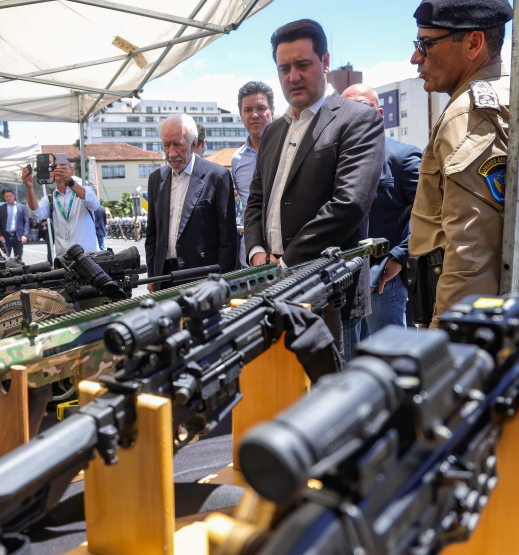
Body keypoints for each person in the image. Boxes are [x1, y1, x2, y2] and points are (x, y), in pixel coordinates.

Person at [243, 19, 384, 361]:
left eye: (303, 65)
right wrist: (258, 252)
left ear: (325, 62)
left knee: (333, 405)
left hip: (329, 294)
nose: (292, 76)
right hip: (272, 286)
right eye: (284, 68)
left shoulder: (357, 120)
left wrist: (288, 262)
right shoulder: (274, 131)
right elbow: (257, 201)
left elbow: (348, 204)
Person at [407, 0, 519, 329]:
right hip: (497, 307)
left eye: (425, 44)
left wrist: (446, 342)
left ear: (473, 43)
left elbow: (472, 252)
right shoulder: (510, 99)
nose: (416, 57)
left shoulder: (471, 114)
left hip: (472, 318)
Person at [342, 84, 422, 334]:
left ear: (378, 114)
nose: (353, 115)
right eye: (346, 110)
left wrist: (399, 257)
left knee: (389, 359)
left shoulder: (402, 157)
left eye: (361, 108)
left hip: (384, 280)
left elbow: (433, 214)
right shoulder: (337, 160)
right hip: (345, 280)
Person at [145, 113, 238, 291]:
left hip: (202, 278)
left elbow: (228, 239)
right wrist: (153, 276)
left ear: (194, 143)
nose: (171, 153)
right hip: (164, 278)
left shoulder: (217, 177)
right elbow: (153, 235)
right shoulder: (156, 179)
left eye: (178, 144)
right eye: (166, 145)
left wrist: (221, 284)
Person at [231, 81, 275, 268]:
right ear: (241, 115)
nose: (254, 115)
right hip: (249, 258)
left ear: (272, 110)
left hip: (286, 256)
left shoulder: (290, 150)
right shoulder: (237, 160)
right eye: (248, 109)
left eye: (261, 108)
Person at [21, 161, 100, 255]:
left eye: (62, 166)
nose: (58, 169)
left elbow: (94, 205)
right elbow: (35, 214)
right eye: (54, 167)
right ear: (51, 176)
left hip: (87, 257)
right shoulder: (50, 199)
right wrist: (29, 188)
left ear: (73, 172)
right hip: (64, 259)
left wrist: (70, 181)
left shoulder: (85, 191)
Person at [0, 189, 29, 259]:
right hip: (6, 236)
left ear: (14, 196)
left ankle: (19, 269)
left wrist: (25, 235)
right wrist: (0, 235)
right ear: (4, 197)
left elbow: (26, 221)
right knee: (5, 257)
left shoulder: (21, 207)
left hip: (18, 236)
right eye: (6, 196)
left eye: (10, 196)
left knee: (18, 257)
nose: (8, 198)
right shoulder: (1, 208)